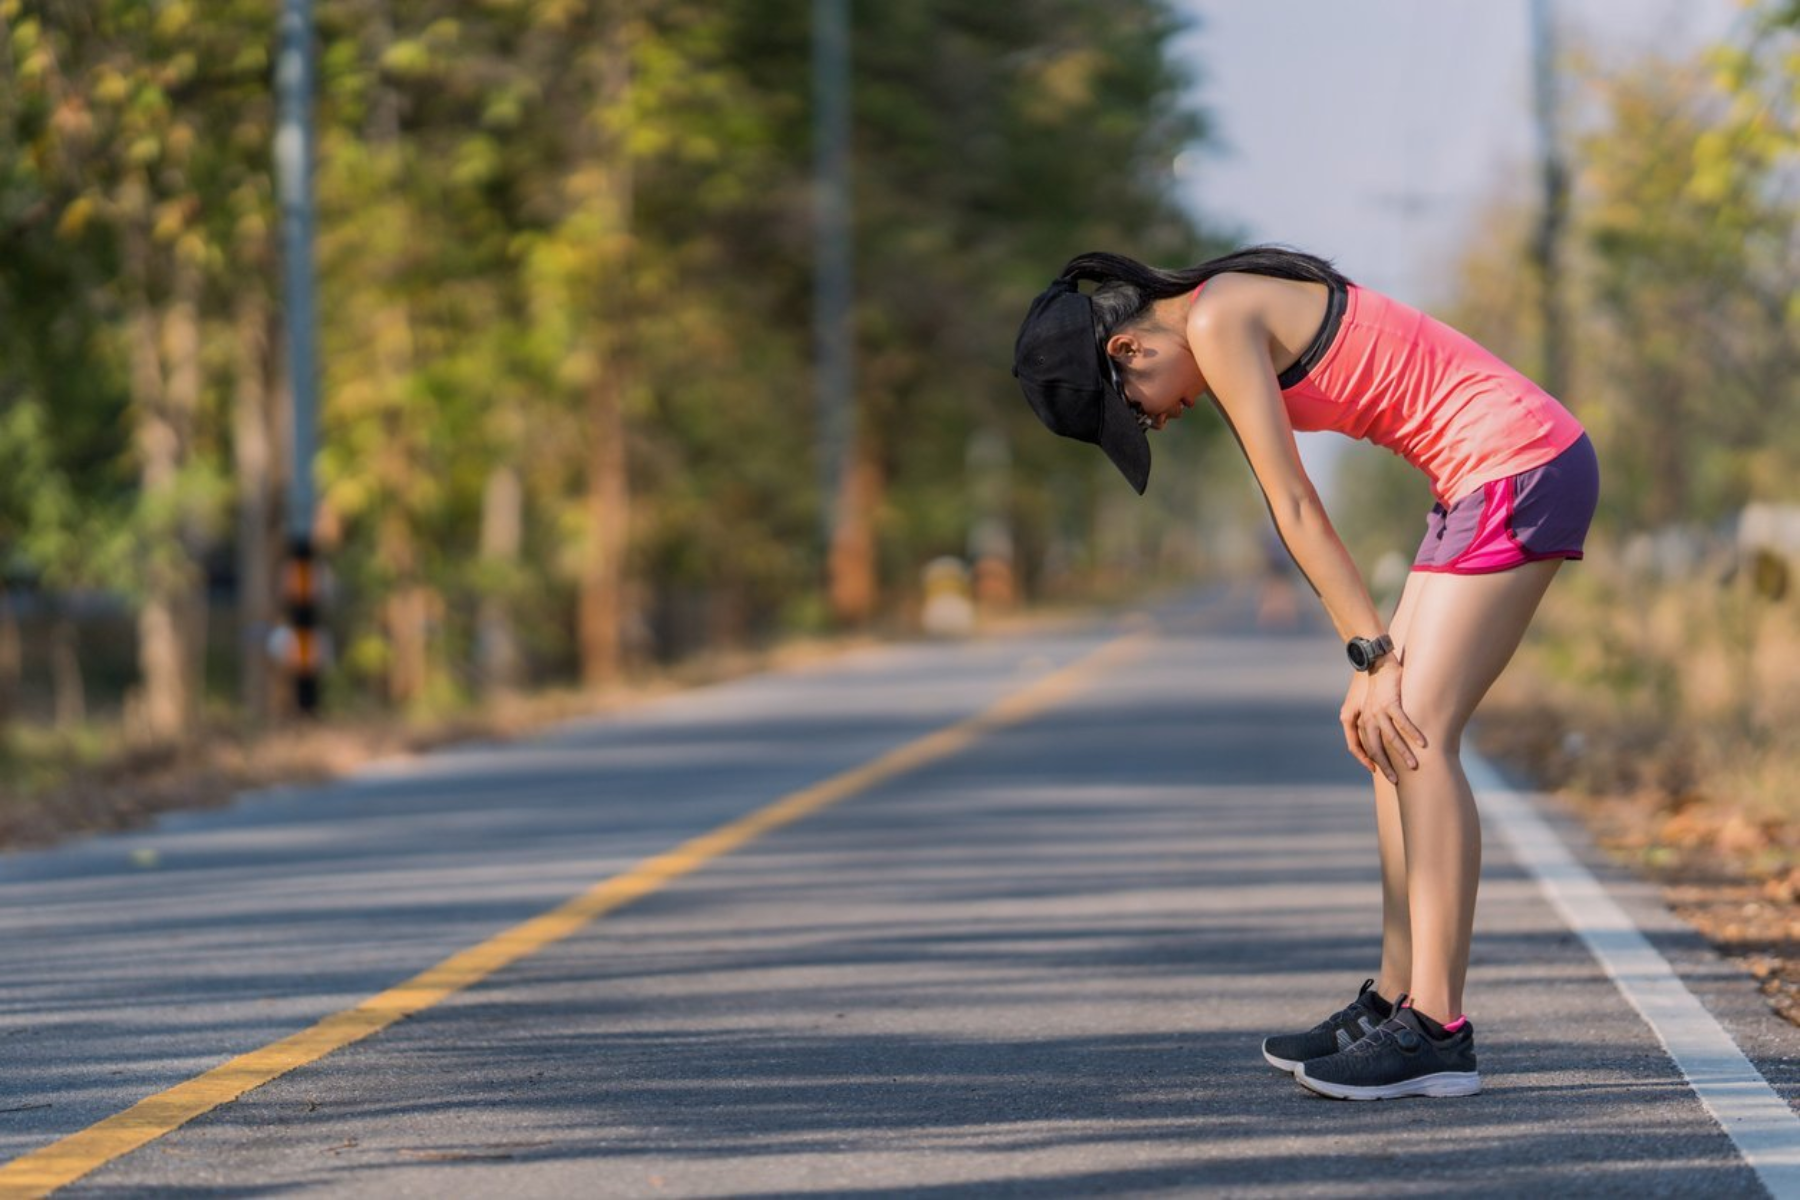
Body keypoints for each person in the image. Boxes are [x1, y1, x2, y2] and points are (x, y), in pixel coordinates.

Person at [1011, 246, 1599, 1101]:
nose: (1153, 421)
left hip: (1520, 464)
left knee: (1416, 730)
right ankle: (1397, 1000)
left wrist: (1370, 656)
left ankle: (1438, 1029)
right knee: (1382, 736)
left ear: (1126, 351)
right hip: (1480, 477)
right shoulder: (1219, 313)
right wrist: (1371, 667)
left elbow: (1290, 502)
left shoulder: (1216, 318)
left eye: (1131, 412)